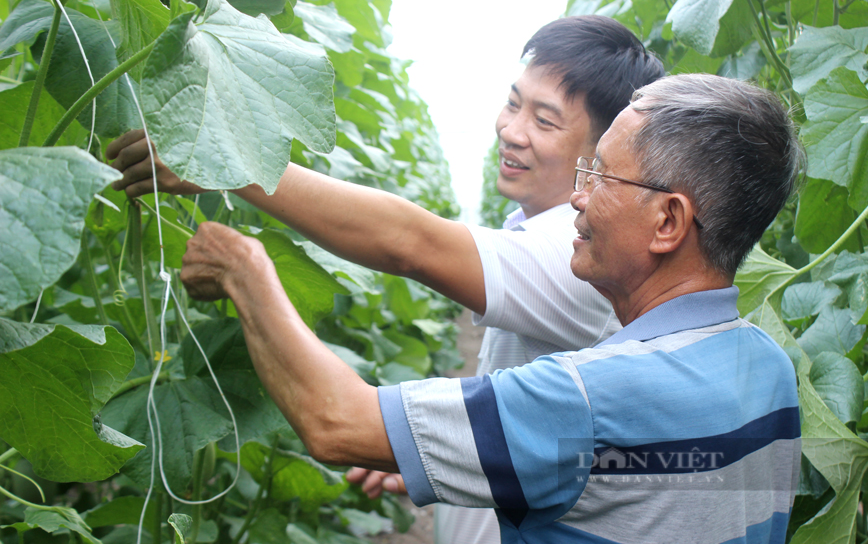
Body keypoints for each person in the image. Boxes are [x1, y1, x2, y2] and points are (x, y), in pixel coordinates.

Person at [167, 73, 803, 543]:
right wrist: (450, 456)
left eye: (602, 177)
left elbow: (335, 423)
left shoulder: (585, 399)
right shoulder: (770, 370)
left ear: (668, 221)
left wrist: (244, 269)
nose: (578, 200)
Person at [109, 15, 664, 544]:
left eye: (544, 121)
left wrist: (229, 164)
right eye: (513, 103)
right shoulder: (544, 234)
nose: (512, 131)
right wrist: (446, 461)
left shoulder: (580, 256)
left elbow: (410, 244)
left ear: (604, 151)